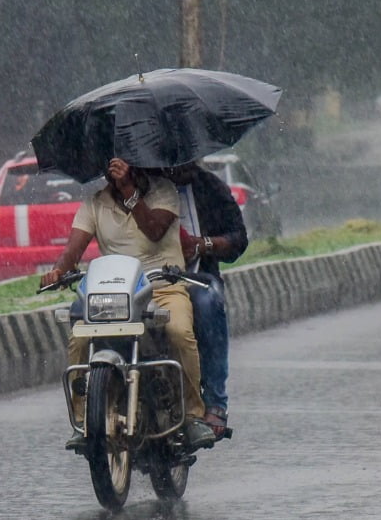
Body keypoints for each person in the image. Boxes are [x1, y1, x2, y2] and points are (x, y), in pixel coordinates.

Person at [40, 157, 214, 451]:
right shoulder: (94, 204)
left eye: (124, 165)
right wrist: (58, 270)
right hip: (116, 295)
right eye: (112, 166)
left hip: (163, 289)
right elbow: (73, 249)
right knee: (78, 339)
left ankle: (194, 415)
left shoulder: (164, 192)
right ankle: (83, 420)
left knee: (180, 333)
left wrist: (130, 192)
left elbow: (154, 230)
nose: (116, 171)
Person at [161, 161, 249, 440]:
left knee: (207, 303)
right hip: (147, 280)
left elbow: (238, 239)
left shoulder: (210, 187)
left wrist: (204, 245)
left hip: (197, 278)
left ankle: (215, 402)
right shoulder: (143, 187)